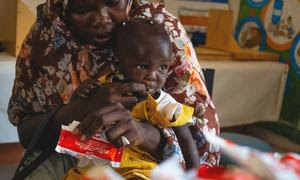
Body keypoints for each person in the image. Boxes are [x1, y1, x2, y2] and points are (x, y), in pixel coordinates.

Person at [7, 0, 219, 179]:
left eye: (113, 2)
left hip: (147, 163)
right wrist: (73, 112)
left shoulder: (161, 33)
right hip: (71, 157)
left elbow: (203, 151)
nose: (100, 18)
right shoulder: (49, 34)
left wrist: (144, 134)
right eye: (82, 8)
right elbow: (27, 133)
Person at [68, 18, 199, 179]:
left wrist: (195, 175)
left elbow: (186, 139)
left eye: (162, 67)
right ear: (118, 62)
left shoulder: (162, 102)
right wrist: (80, 93)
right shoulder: (104, 89)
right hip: (94, 165)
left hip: (138, 169)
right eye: (142, 66)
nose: (153, 76)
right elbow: (74, 113)